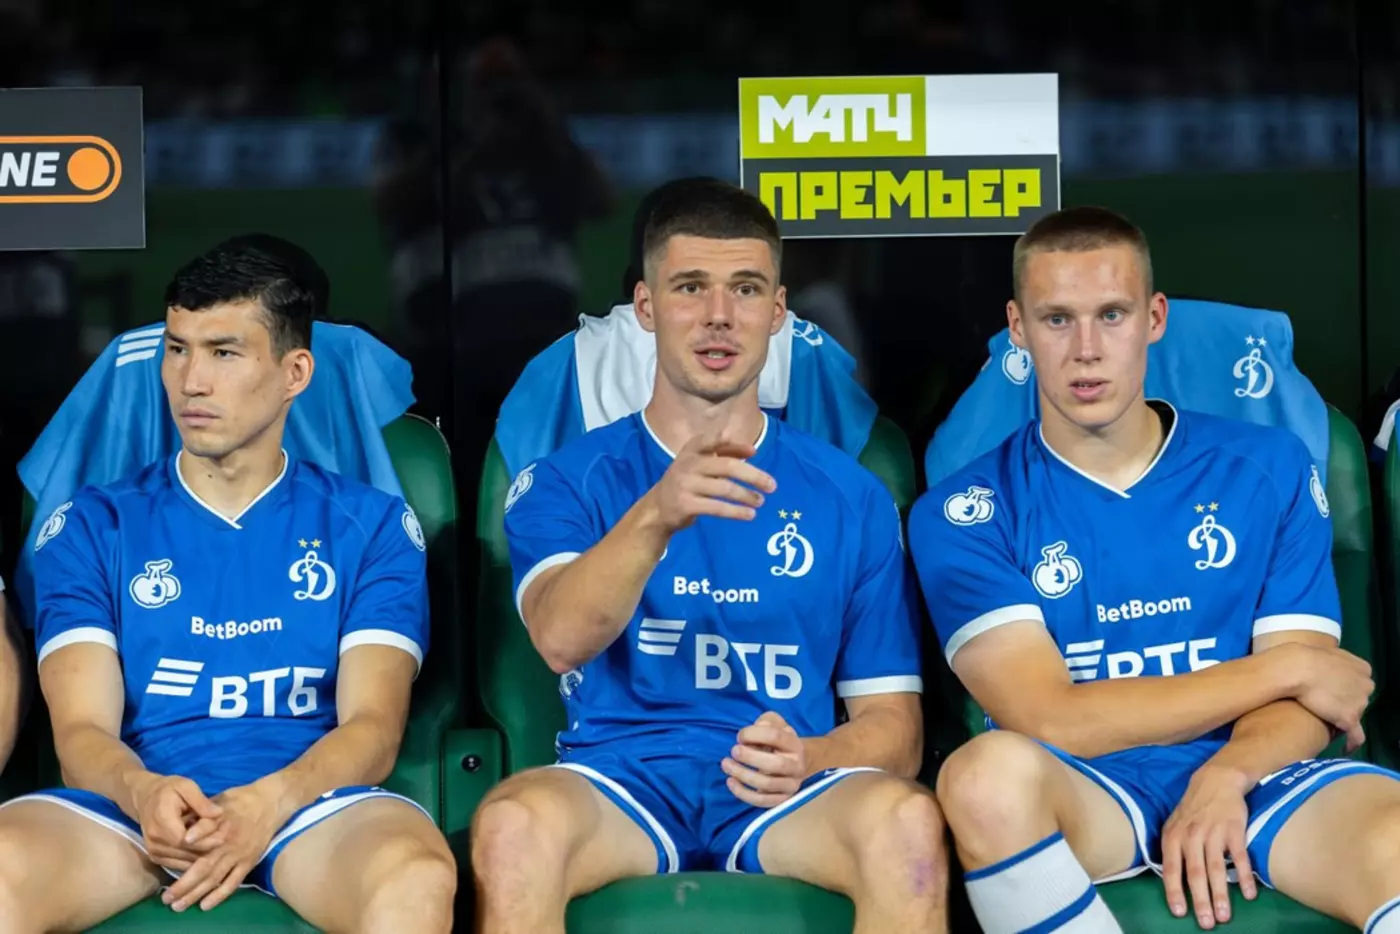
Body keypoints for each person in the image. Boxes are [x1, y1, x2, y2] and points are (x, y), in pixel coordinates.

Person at [908, 206, 1400, 933]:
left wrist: (1226, 774)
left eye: (1112, 315)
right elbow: (1049, 718)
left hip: (1260, 770)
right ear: (1018, 328)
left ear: (1155, 318)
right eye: (1056, 320)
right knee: (981, 780)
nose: (1086, 350)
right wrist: (1286, 670)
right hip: (1089, 788)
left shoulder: (1268, 465)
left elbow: (1311, 698)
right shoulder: (963, 510)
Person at [473, 181, 948, 934]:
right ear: (646, 306)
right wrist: (658, 513)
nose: (719, 315)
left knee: (908, 826)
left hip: (786, 789)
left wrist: (813, 756)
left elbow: (897, 729)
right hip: (618, 781)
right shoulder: (568, 478)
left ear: (779, 311)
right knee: (511, 826)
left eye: (746, 289)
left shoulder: (851, 495)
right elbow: (560, 638)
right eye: (690, 287)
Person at [0, 237, 456, 932]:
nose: (191, 381)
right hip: (135, 812)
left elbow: (373, 727)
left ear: (294, 372)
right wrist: (143, 791)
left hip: (308, 808)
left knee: (415, 878)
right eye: (177, 349)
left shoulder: (371, 524)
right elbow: (82, 730)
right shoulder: (93, 524)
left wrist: (269, 803)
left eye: (223, 353)